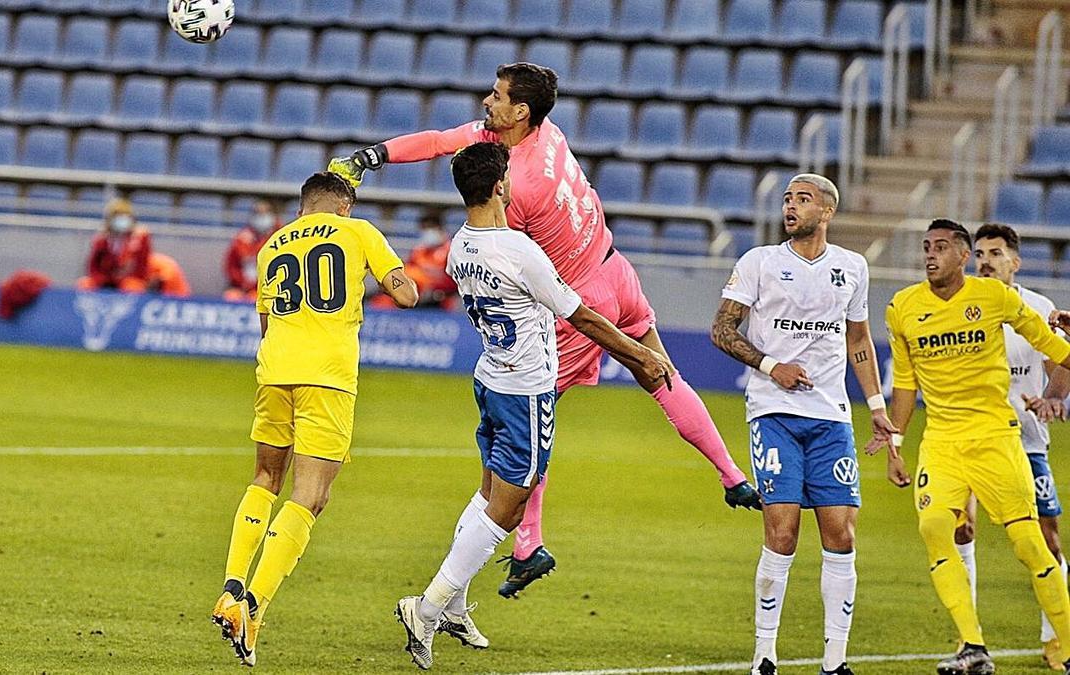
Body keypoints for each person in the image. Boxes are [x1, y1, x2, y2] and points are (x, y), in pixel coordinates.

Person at [330, 61, 759, 597]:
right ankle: (731, 474)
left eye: (497, 95)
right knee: (660, 372)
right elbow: (442, 140)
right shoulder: (545, 134)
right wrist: (376, 156)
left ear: (520, 111)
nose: (488, 101)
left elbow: (511, 259)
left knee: (532, 413)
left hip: (583, 298)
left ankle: (528, 543)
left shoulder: (521, 187)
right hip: (616, 269)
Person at [394, 142, 673, 670]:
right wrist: (641, 353)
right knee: (509, 506)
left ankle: (452, 604)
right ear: (501, 186)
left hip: (490, 379)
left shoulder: (459, 248)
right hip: (525, 390)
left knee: (486, 494)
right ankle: (427, 606)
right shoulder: (519, 251)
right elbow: (583, 317)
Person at [210, 172, 418, 667]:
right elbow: (407, 295)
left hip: (274, 372)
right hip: (327, 378)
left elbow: (266, 322)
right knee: (311, 495)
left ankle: (230, 587)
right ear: (343, 207)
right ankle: (253, 607)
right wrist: (392, 279)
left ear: (304, 207)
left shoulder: (271, 245)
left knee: (265, 477)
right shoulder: (359, 231)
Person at [710, 174, 894, 675]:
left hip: (831, 418)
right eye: (788, 199)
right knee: (783, 531)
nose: (791, 207)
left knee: (841, 536)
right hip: (773, 413)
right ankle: (764, 655)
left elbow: (858, 339)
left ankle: (834, 661)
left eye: (803, 199)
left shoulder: (851, 268)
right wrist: (773, 366)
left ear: (827, 212)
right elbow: (722, 328)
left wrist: (877, 406)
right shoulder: (760, 263)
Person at [879, 219, 1070, 675]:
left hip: (997, 439)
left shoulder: (998, 299)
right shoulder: (902, 307)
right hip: (942, 442)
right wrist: (895, 442)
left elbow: (1057, 351)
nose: (930, 255)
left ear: (962, 256)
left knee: (1030, 543)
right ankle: (973, 647)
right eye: (926, 247)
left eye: (941, 247)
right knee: (935, 530)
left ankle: (1065, 644)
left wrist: (1055, 394)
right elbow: (905, 384)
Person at [952, 223, 1070, 670]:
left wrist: (1054, 398)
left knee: (1047, 538)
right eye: (979, 253)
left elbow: (1063, 358)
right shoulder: (957, 304)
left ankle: (1056, 639)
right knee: (961, 529)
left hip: (1025, 441)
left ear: (1014, 262)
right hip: (969, 438)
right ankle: (969, 642)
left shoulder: (1036, 308)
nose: (985, 260)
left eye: (995, 253)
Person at [75, 198, 152, 293]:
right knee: (84, 283)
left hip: (130, 279)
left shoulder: (140, 238)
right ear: (110, 220)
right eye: (117, 217)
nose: (121, 220)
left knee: (132, 286)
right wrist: (103, 280)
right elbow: (93, 268)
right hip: (105, 279)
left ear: (131, 219)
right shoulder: (101, 240)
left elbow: (142, 267)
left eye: (124, 217)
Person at [224, 200, 280, 302]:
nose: (261, 217)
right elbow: (231, 266)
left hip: (271, 289)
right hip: (243, 288)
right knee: (230, 296)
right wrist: (243, 283)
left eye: (265, 213)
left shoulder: (280, 237)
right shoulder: (241, 239)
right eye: (258, 213)